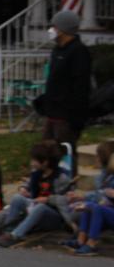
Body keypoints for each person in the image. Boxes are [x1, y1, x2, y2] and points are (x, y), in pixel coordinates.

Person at [36, 9, 92, 176]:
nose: (52, 29)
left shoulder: (78, 51)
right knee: (45, 150)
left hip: (66, 116)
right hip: (52, 113)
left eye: (55, 26)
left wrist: (76, 116)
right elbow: (54, 82)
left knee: (65, 152)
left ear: (63, 29)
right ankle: (46, 182)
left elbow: (81, 87)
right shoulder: (57, 50)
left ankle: (68, 186)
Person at [0, 140, 72, 247]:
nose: (31, 163)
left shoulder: (61, 178)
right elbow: (28, 184)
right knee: (17, 198)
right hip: (34, 207)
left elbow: (66, 201)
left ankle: (15, 236)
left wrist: (48, 199)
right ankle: (7, 231)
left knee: (41, 207)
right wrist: (23, 188)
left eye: (34, 160)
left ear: (45, 162)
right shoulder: (37, 174)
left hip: (53, 216)